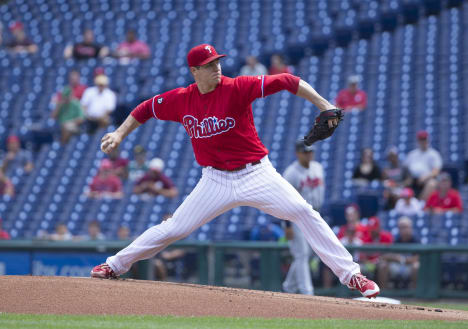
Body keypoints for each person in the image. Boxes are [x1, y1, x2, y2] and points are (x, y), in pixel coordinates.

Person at [90, 43, 380, 298]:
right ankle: (115, 264)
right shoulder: (181, 99)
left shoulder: (236, 87)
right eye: (209, 65)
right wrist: (119, 133)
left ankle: (352, 275)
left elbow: (287, 80)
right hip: (214, 179)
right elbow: (145, 109)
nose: (217, 67)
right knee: (175, 227)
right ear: (194, 71)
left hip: (256, 174)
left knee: (303, 212)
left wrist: (324, 104)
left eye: (217, 62)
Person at [282, 141, 325, 296]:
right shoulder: (291, 173)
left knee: (311, 253)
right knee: (301, 254)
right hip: (295, 217)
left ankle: (289, 287)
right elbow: (284, 200)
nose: (309, 154)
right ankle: (307, 292)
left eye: (310, 151)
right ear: (297, 153)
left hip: (314, 214)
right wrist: (287, 225)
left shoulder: (318, 168)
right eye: (305, 152)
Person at [378, 216, 419, 289]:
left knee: (416, 266)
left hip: (410, 266)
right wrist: (397, 258)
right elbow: (386, 255)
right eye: (401, 227)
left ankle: (414, 292)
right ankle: (384, 293)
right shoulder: (396, 240)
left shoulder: (416, 240)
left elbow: (419, 257)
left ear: (411, 228)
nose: (404, 230)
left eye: (406, 227)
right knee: (383, 265)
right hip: (397, 265)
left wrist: (405, 260)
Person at [404, 130, 442, 201]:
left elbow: (436, 171)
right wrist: (408, 178)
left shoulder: (433, 154)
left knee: (432, 184)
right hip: (412, 179)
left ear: (427, 140)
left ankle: (421, 204)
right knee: (402, 184)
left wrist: (425, 177)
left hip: (426, 180)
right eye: (421, 139)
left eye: (424, 139)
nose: (423, 141)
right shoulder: (412, 154)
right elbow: (405, 169)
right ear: (418, 141)